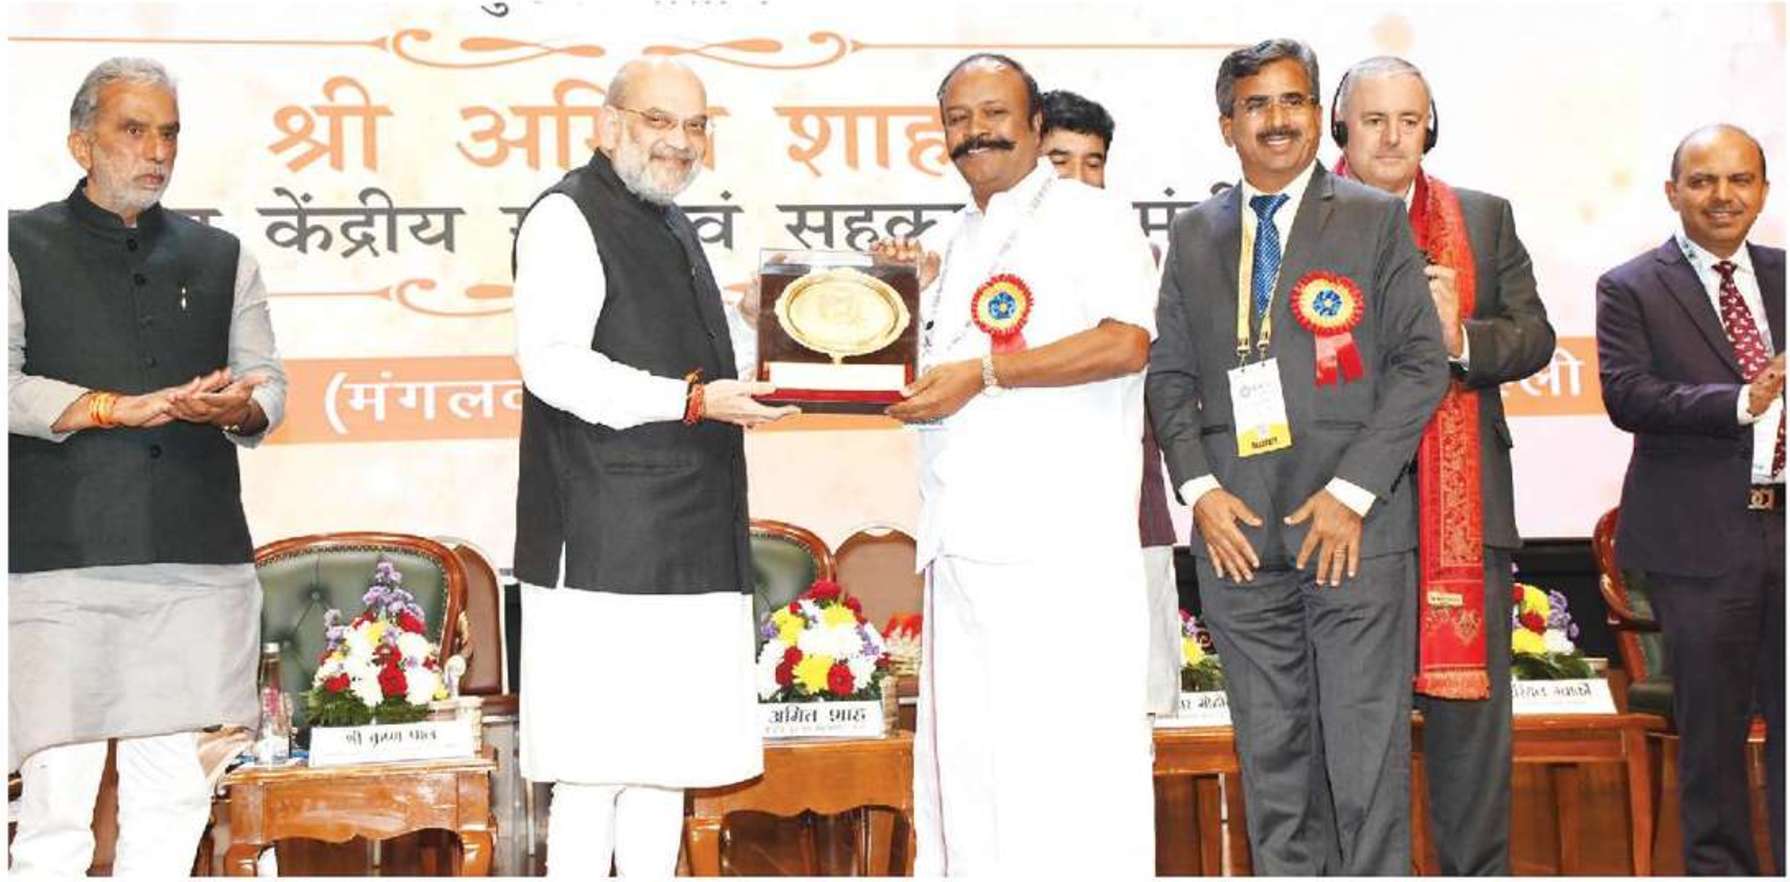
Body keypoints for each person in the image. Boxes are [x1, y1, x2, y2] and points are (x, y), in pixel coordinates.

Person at [1146, 38, 1447, 875]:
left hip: (1350, 531)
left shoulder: (1374, 218)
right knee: (1272, 765)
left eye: (1292, 101)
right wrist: (1199, 490)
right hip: (1237, 534)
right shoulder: (1194, 232)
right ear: (1227, 125)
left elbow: (1421, 365)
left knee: (1364, 764)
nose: (1276, 120)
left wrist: (1353, 492)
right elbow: (1169, 375)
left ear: (1319, 116)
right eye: (1256, 105)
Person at [508, 56, 797, 877]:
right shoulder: (567, 216)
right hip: (605, 541)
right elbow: (554, 366)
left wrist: (764, 324)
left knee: (665, 765)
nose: (680, 140)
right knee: (592, 770)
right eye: (659, 120)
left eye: (695, 125)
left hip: (690, 533)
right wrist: (695, 402)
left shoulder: (670, 221)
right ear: (608, 126)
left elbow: (692, 362)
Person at [872, 53, 1159, 876]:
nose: (977, 133)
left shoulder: (1090, 216)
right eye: (958, 119)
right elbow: (915, 375)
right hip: (962, 545)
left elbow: (1127, 341)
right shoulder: (947, 241)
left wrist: (988, 373)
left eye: (995, 114)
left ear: (1036, 126)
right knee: (971, 775)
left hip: (1060, 553)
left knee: (1063, 771)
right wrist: (889, 303)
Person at [9, 56, 287, 875]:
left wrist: (231, 407)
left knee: (172, 799)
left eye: (168, 132)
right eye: (133, 130)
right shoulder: (17, 245)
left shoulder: (221, 255)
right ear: (81, 144)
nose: (157, 150)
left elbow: (266, 382)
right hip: (63, 562)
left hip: (194, 563)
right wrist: (109, 407)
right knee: (57, 801)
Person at [1333, 55, 1556, 874]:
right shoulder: (1303, 221)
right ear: (1341, 128)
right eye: (1374, 121)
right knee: (1356, 739)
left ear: (1431, 126)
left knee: (1472, 753)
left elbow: (1533, 337)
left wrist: (1457, 335)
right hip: (1343, 520)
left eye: (1410, 120)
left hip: (1466, 519)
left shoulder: (1483, 219)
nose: (1393, 138)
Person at [1596, 123, 1783, 875]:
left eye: (1740, 180)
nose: (1722, 196)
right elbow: (1628, 395)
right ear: (1673, 193)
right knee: (1712, 738)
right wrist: (1742, 401)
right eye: (1703, 181)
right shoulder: (1631, 286)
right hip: (1700, 544)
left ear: (1763, 191)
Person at [1040, 88, 1182, 718]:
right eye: (1059, 161)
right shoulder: (992, 267)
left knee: (1131, 713)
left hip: (1130, 514)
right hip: (1030, 523)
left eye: (1092, 163)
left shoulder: (1143, 259)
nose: (1077, 178)